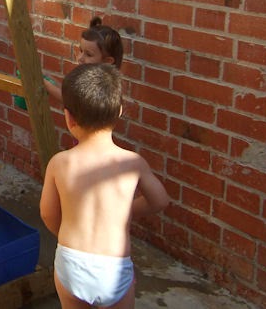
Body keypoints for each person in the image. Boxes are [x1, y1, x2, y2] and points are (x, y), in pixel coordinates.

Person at [39, 63, 169, 308]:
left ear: (68, 117)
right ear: (119, 111)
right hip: (113, 269)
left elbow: (48, 213)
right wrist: (125, 211)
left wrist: (66, 235)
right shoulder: (133, 163)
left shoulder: (59, 163)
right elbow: (160, 201)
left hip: (71, 264)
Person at [43, 16, 124, 103]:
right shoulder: (88, 77)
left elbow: (71, 101)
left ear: (107, 62)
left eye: (89, 54)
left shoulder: (103, 86)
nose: (80, 58)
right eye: (81, 51)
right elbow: (68, 93)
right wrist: (47, 76)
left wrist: (45, 83)